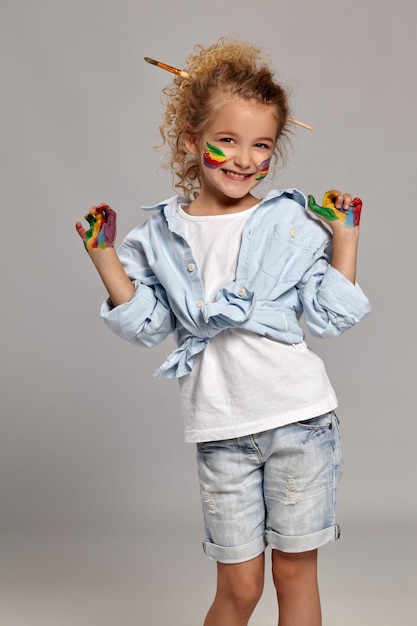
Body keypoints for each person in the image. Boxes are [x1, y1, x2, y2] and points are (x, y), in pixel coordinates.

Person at [76, 38, 371, 626]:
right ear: (192, 140)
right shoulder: (159, 235)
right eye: (228, 140)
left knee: (294, 577)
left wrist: (346, 237)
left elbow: (328, 314)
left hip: (300, 421)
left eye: (261, 145)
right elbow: (150, 325)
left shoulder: (289, 220)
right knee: (239, 590)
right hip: (221, 431)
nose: (243, 159)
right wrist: (104, 255)